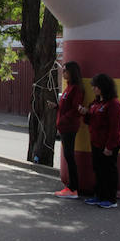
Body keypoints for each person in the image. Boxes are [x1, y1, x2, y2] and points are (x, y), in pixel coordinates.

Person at [79, 73, 120, 209]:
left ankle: (110, 198)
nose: (93, 89)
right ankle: (99, 195)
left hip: (108, 143)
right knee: (98, 170)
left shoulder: (113, 104)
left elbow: (115, 128)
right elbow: (90, 120)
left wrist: (109, 146)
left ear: (103, 87)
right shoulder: (96, 103)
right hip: (96, 141)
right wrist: (85, 113)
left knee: (109, 171)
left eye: (96, 86)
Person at [49, 61, 84, 199]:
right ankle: (70, 187)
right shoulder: (68, 87)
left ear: (71, 73)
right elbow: (66, 106)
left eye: (65, 71)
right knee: (68, 156)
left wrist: (63, 119)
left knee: (70, 157)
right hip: (64, 126)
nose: (63, 73)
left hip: (69, 126)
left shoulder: (76, 89)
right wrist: (56, 107)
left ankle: (73, 188)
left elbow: (75, 110)